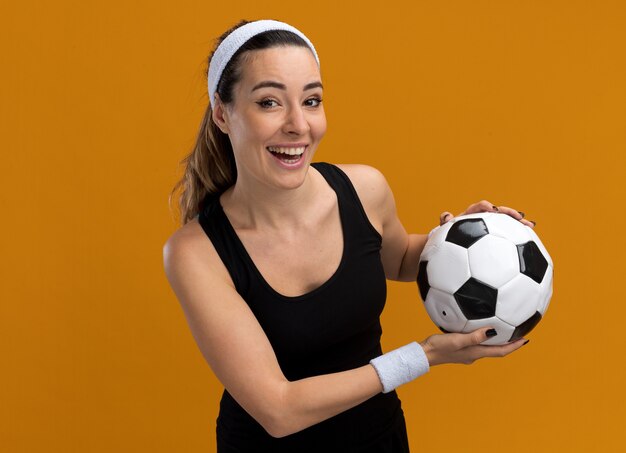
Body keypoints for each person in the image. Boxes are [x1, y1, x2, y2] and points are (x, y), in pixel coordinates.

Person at [163, 19, 535, 453]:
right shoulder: (196, 252)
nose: (298, 125)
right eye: (269, 102)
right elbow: (278, 409)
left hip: (378, 439)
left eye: (312, 100)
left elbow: (398, 260)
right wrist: (425, 355)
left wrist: (464, 240)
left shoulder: (364, 189)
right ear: (222, 113)